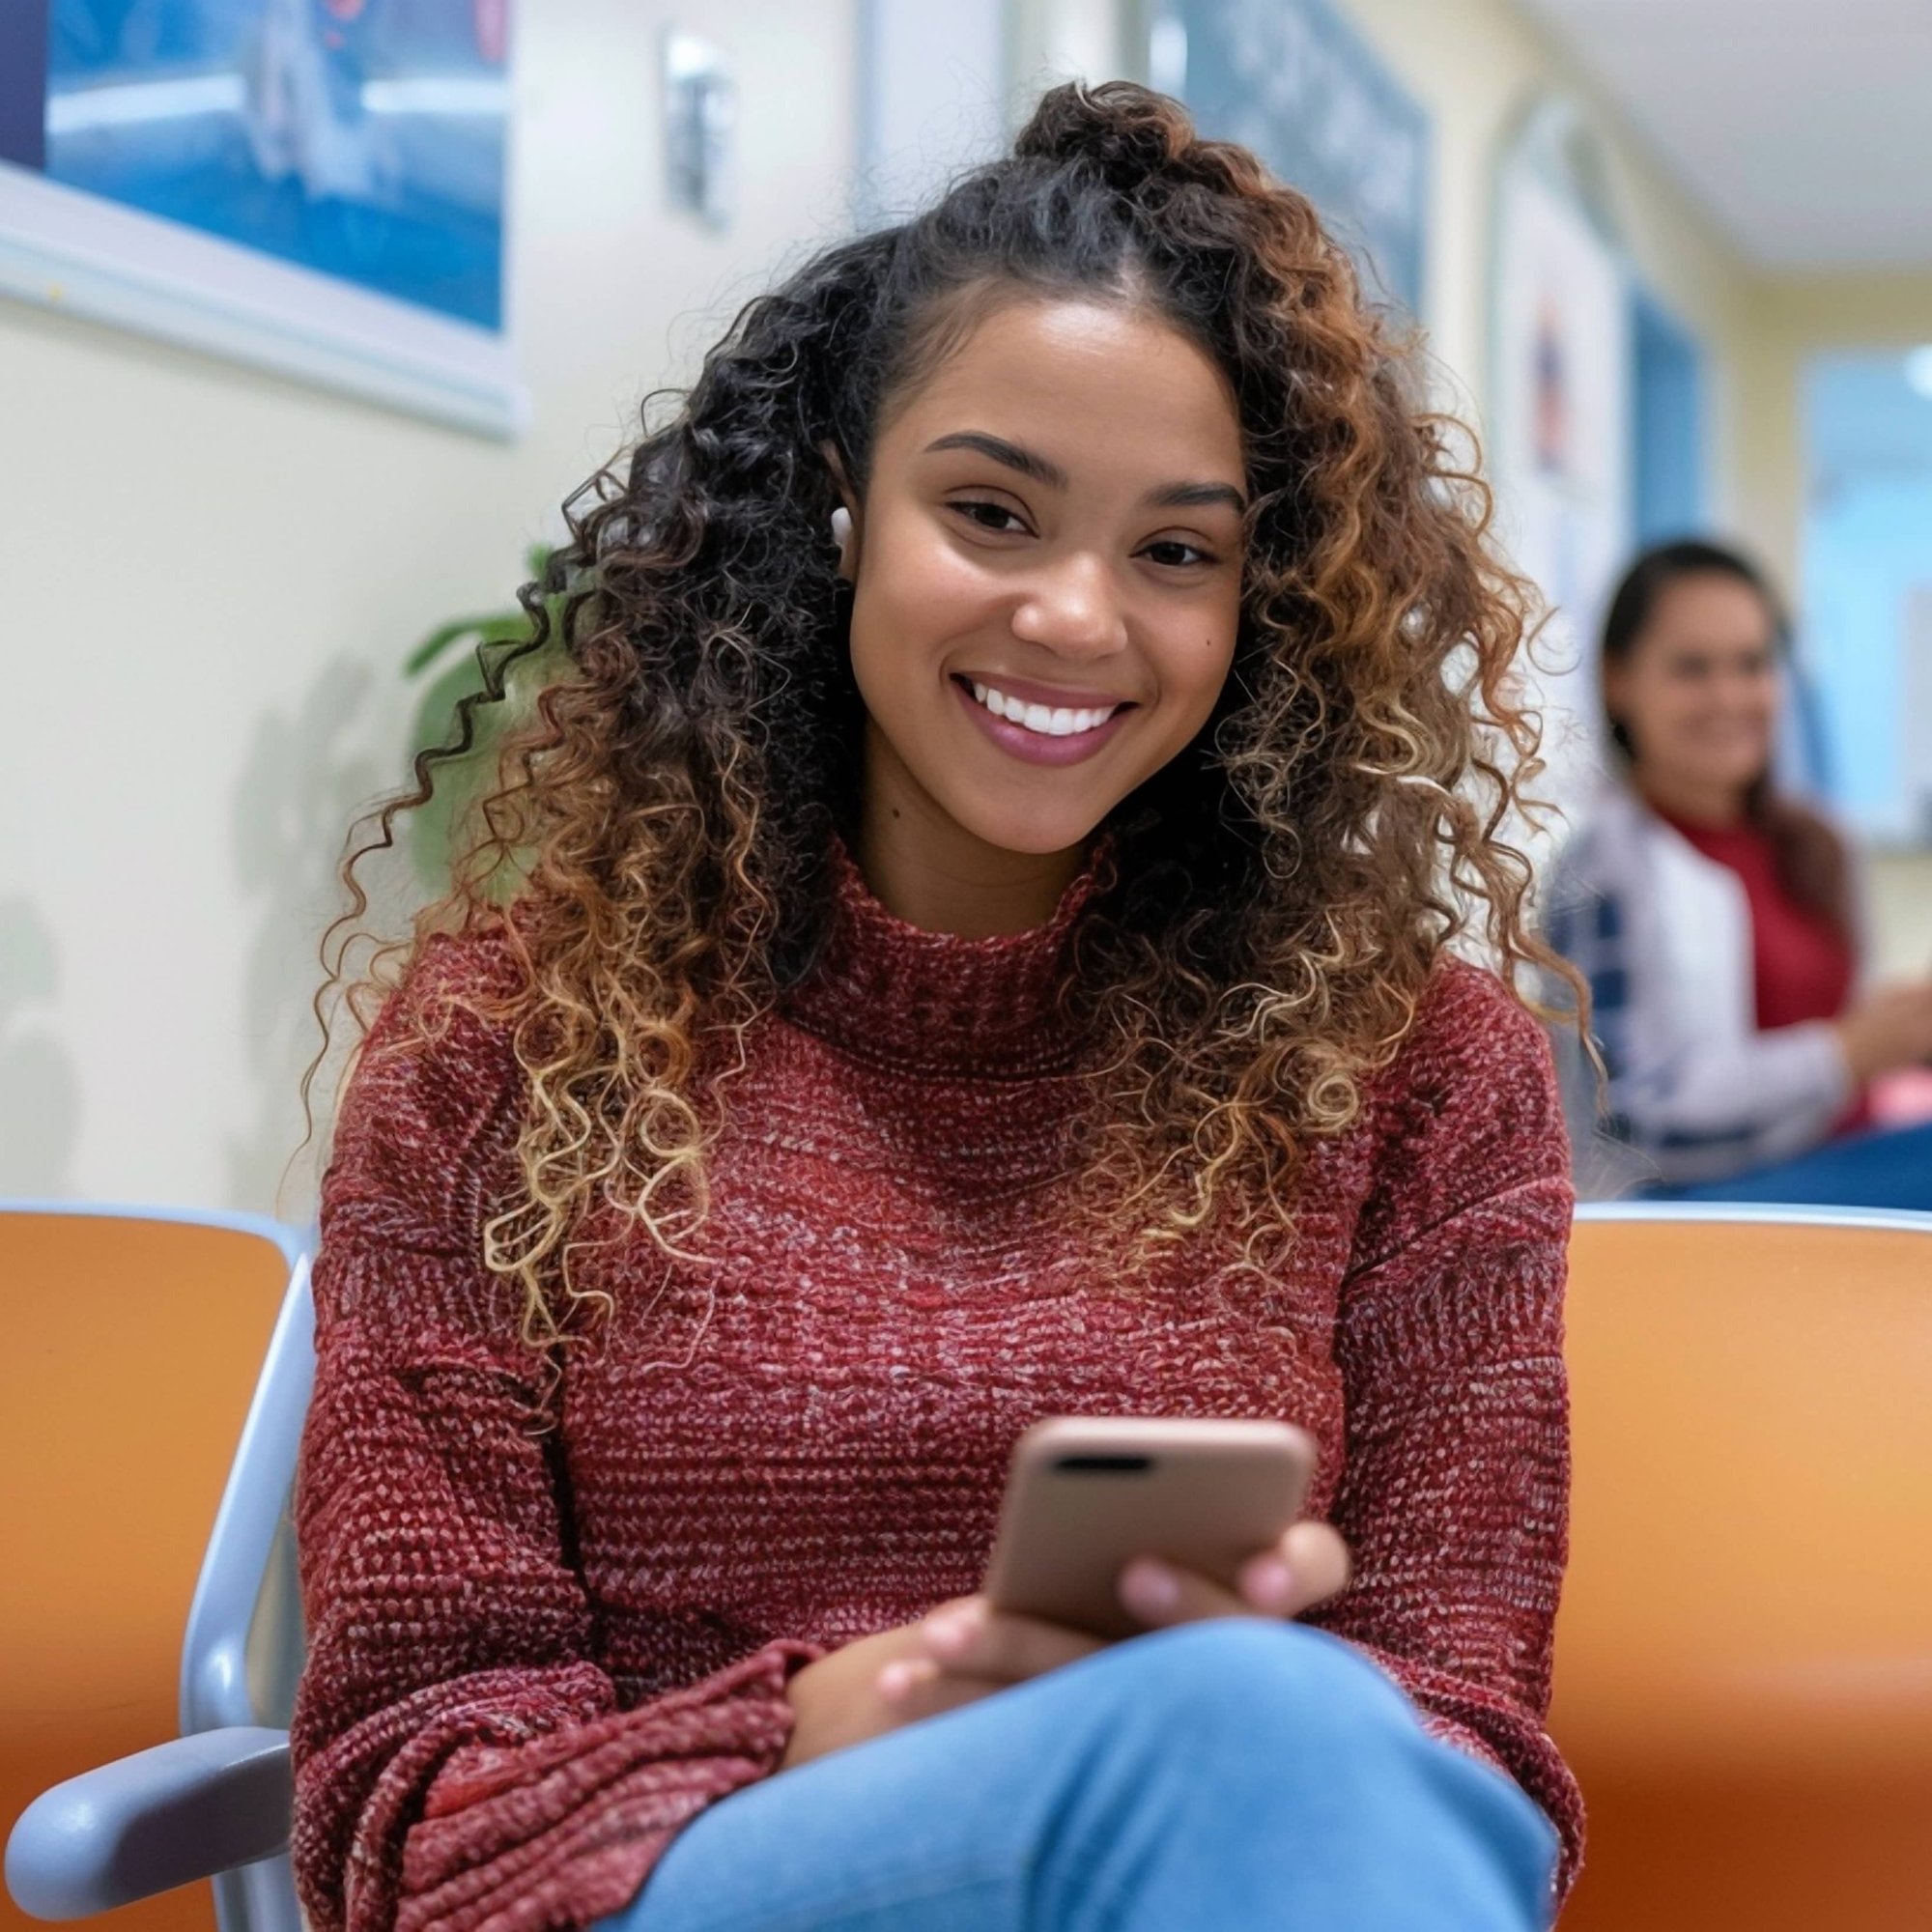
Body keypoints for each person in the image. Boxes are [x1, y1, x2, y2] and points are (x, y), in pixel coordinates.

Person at [291, 83, 1583, 1932]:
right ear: (841, 506)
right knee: (1229, 1724)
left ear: (1261, 605)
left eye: (1176, 552)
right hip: (682, 1884)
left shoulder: (1421, 1074)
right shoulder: (501, 1045)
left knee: (1253, 1729)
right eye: (992, 512)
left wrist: (1184, 1744)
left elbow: (1467, 1754)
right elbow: (409, 1800)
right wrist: (813, 1733)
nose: (1075, 617)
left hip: (1242, 1863)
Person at [1547, 539, 1932, 1208]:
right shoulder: (1601, 868)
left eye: (1752, 665)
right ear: (1619, 681)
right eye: (1692, 669)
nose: (1729, 697)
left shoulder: (1821, 843)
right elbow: (1635, 1120)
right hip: (1711, 1211)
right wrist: (1844, 1054)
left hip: (1844, 1168)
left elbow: (1849, 1053)